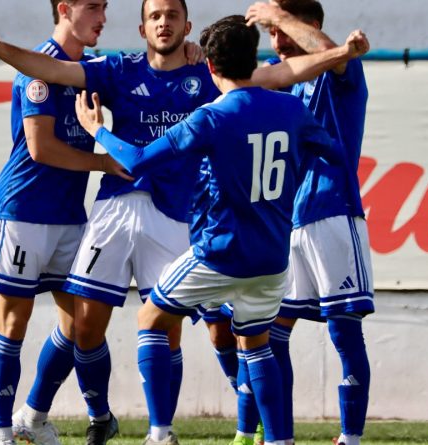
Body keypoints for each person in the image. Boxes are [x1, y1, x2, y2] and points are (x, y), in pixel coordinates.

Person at [74, 14, 343, 445]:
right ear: (254, 59)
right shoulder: (292, 109)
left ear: (212, 69)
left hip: (221, 253)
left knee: (151, 318)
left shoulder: (210, 118)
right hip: (272, 259)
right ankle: (279, 440)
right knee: (256, 345)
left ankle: (160, 433)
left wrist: (97, 131)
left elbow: (139, 161)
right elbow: (332, 152)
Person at [0, 1, 219, 443]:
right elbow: (43, 128)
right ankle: (11, 430)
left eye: (172, 15)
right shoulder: (88, 70)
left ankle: (147, 428)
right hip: (44, 210)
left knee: (145, 324)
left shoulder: (195, 72)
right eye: (93, 7)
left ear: (187, 25)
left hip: (111, 214)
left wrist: (203, 52)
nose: (102, 16)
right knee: (55, 323)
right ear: (142, 27)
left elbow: (252, 83)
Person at [0, 1, 131, 445]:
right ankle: (1, 434)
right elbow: (40, 149)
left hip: (70, 216)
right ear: (64, 9)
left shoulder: (92, 71)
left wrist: (194, 53)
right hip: (23, 211)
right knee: (13, 323)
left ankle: (34, 414)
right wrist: (103, 162)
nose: (102, 16)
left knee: (80, 323)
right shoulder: (40, 67)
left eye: (105, 7)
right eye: (92, 7)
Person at [244, 2, 374, 445]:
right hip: (289, 221)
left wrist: (278, 15)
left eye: (284, 32)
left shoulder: (341, 70)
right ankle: (280, 437)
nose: (277, 43)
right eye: (272, 35)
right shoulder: (281, 82)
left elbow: (331, 51)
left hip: (334, 212)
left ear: (310, 27)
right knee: (272, 331)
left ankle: (349, 438)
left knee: (343, 327)